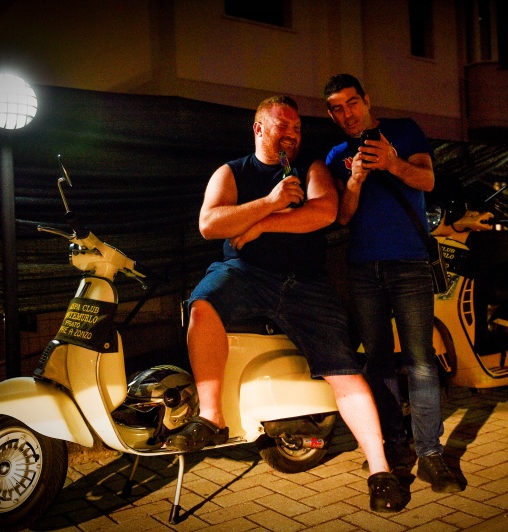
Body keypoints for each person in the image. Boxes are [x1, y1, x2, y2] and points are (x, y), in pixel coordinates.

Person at [170, 95, 407, 512]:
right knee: (202, 305)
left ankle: (380, 469)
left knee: (344, 371)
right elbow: (210, 224)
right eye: (283, 126)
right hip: (245, 273)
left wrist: (261, 224)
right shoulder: (231, 172)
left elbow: (325, 213)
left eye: (297, 129)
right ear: (259, 128)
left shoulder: (310, 169)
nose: (293, 135)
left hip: (306, 283)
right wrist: (270, 201)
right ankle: (210, 418)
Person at [323, 73, 462, 493]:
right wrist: (354, 181)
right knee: (378, 360)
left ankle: (431, 453)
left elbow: (427, 181)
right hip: (362, 268)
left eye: (352, 103)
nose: (347, 114)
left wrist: (392, 163)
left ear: (367, 100)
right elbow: (343, 216)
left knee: (420, 360)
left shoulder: (403, 130)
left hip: (410, 263)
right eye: (337, 109)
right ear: (331, 115)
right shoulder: (336, 155)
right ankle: (395, 445)